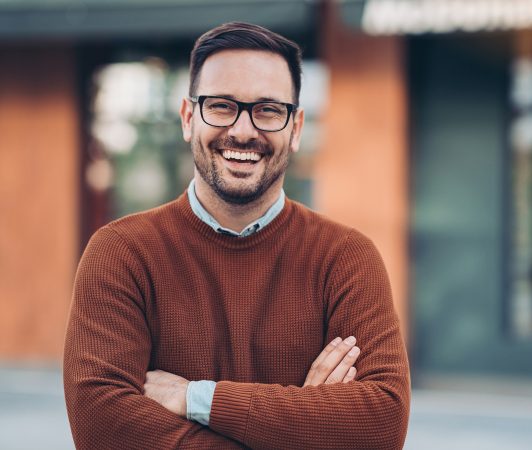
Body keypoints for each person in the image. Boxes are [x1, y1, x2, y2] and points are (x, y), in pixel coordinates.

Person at [64, 22, 410, 450]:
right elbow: (103, 430)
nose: (244, 131)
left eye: (268, 109)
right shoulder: (121, 253)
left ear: (296, 128)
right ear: (189, 118)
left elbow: (382, 423)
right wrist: (304, 421)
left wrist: (197, 399)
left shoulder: (346, 258)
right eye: (222, 106)